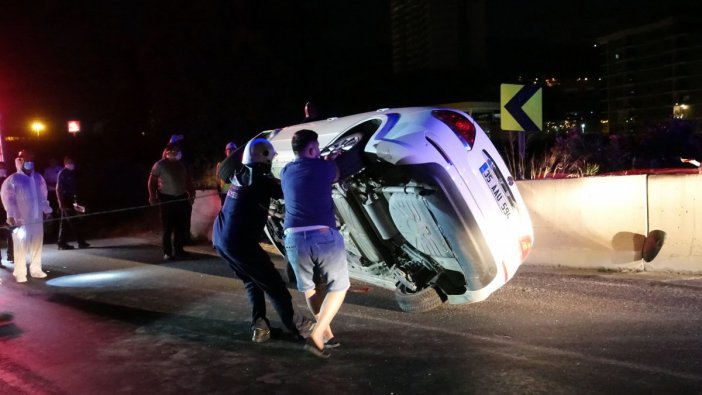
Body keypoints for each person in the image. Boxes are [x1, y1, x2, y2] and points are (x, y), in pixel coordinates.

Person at [213, 138, 313, 343]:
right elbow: (290, 190)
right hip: (240, 244)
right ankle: (300, 329)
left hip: (221, 239)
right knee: (275, 285)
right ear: (263, 156)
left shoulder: (240, 174)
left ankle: (260, 328)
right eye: (271, 156)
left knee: (252, 281)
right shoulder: (260, 179)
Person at [280, 129, 348, 358]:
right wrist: (330, 160)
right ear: (311, 149)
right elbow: (336, 175)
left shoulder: (286, 170)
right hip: (322, 236)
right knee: (339, 287)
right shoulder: (324, 167)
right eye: (316, 148)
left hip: (293, 240)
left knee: (309, 288)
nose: (319, 152)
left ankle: (327, 336)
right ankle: (317, 335)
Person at [0, 150, 53, 283]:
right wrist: (11, 215)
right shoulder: (13, 179)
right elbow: (8, 199)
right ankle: (20, 271)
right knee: (20, 246)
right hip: (21, 220)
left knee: (37, 244)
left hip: (36, 218)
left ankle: (36, 269)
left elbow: (43, 196)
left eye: (30, 158)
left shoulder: (38, 178)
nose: (29, 161)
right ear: (20, 160)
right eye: (25, 158)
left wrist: (47, 210)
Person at [148, 143, 194, 261]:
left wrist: (191, 194)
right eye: (175, 150)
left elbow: (188, 180)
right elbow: (152, 182)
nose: (178, 152)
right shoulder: (160, 165)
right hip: (166, 198)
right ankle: (167, 252)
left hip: (181, 198)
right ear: (168, 152)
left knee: (180, 226)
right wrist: (152, 196)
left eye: (178, 150)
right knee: (167, 227)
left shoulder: (182, 164)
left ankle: (179, 250)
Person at [56, 156, 89, 250]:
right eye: (69, 162)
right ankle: (80, 242)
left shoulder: (73, 173)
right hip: (65, 200)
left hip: (71, 199)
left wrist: (76, 201)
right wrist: (60, 202)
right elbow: (58, 188)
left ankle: (61, 242)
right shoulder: (62, 173)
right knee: (73, 221)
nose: (72, 164)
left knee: (65, 223)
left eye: (72, 162)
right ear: (65, 163)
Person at [0, 162, 13, 265]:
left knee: (11, 233)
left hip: (7, 211)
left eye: (3, 167)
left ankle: (11, 254)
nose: (2, 170)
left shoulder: (8, 181)